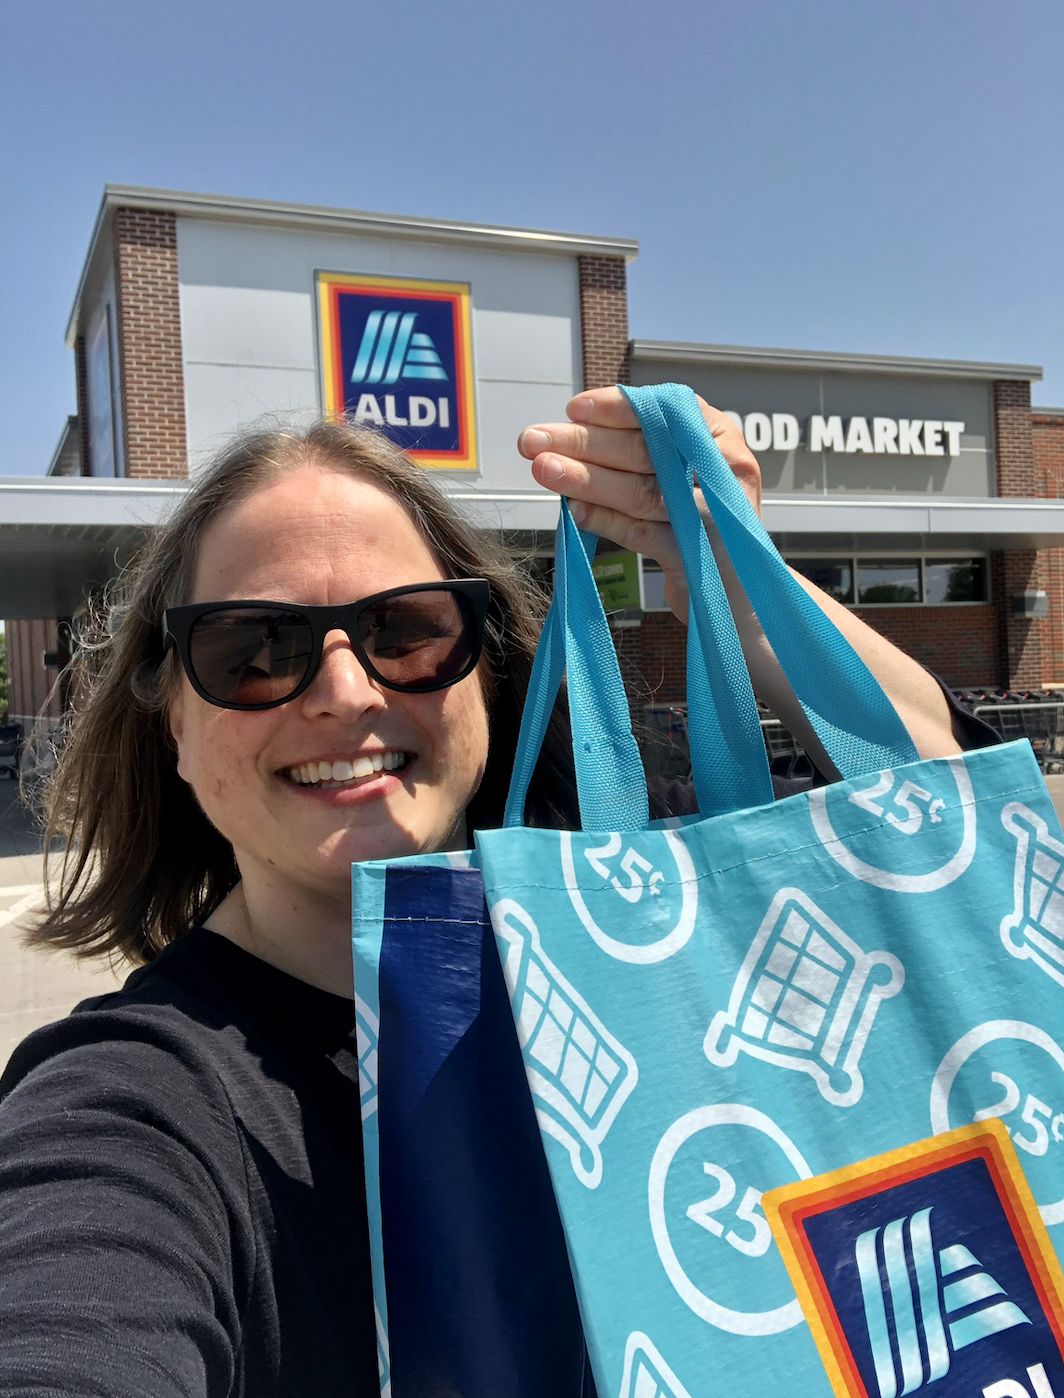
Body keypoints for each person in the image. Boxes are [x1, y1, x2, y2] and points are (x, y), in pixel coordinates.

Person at [0, 389, 991, 1396]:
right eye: (253, 649)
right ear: (172, 722)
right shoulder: (138, 1107)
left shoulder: (659, 917)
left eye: (407, 631)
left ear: (487, 673)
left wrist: (735, 586)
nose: (346, 693)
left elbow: (953, 846)